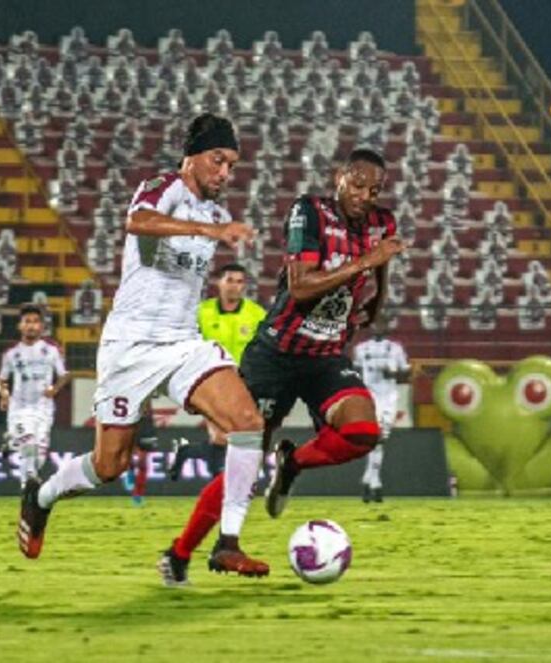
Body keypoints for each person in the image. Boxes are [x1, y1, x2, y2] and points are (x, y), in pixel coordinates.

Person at [16, 113, 269, 583]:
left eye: (232, 165)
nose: (225, 173)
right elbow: (137, 221)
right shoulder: (165, 186)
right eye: (218, 160)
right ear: (192, 157)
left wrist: (213, 228)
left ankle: (227, 543)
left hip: (182, 341)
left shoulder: (214, 211)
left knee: (249, 423)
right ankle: (42, 495)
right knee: (109, 465)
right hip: (129, 345)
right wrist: (207, 233)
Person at [159, 148, 407, 585]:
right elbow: (301, 287)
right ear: (339, 177)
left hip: (326, 356)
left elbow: (381, 264)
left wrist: (377, 300)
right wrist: (366, 262)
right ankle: (179, 554)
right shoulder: (309, 212)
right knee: (245, 463)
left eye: (374, 190)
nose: (365, 196)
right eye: (358, 184)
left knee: (363, 432)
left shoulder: (381, 223)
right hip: (276, 355)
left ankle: (292, 465)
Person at [166, 262, 266, 481]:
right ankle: (221, 489)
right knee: (222, 436)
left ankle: (188, 453)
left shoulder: (256, 314)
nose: (234, 286)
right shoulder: (202, 312)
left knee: (229, 439)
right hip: (211, 382)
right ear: (219, 283)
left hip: (245, 384)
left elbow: (265, 348)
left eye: (239, 282)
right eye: (229, 280)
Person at [0, 304, 70, 488]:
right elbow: (2, 380)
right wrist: (4, 394)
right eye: (27, 321)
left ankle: (13, 440)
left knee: (39, 459)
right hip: (19, 408)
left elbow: (64, 374)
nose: (31, 325)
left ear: (42, 327)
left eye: (35, 322)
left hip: (44, 409)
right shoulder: (11, 353)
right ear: (20, 326)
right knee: (29, 446)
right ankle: (27, 493)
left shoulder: (52, 349)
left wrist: (55, 388)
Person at [351, 319, 411, 503]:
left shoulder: (395, 349)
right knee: (376, 438)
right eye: (375, 324)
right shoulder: (361, 349)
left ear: (386, 327)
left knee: (380, 440)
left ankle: (369, 480)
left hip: (389, 397)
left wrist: (391, 374)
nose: (378, 327)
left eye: (381, 324)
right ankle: (375, 484)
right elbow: (355, 371)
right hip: (371, 396)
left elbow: (405, 373)